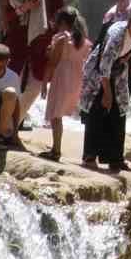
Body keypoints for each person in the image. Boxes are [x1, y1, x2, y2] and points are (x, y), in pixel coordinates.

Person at [80, 6, 131, 171]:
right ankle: (89, 156)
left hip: (118, 70)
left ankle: (115, 158)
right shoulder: (116, 36)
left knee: (119, 111)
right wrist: (107, 93)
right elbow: (104, 65)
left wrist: (125, 58)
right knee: (97, 110)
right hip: (99, 71)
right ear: (129, 23)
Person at [4, 0, 65, 131]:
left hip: (42, 41)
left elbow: (59, 14)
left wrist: (55, 40)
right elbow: (8, 14)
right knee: (11, 82)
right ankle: (4, 126)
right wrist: (25, 8)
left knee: (36, 85)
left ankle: (12, 125)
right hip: (17, 39)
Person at [41, 8, 91, 163]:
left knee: (55, 114)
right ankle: (55, 148)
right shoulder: (84, 41)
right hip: (76, 80)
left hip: (62, 77)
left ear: (62, 22)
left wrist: (44, 83)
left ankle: (56, 149)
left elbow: (52, 63)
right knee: (60, 113)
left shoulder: (62, 39)